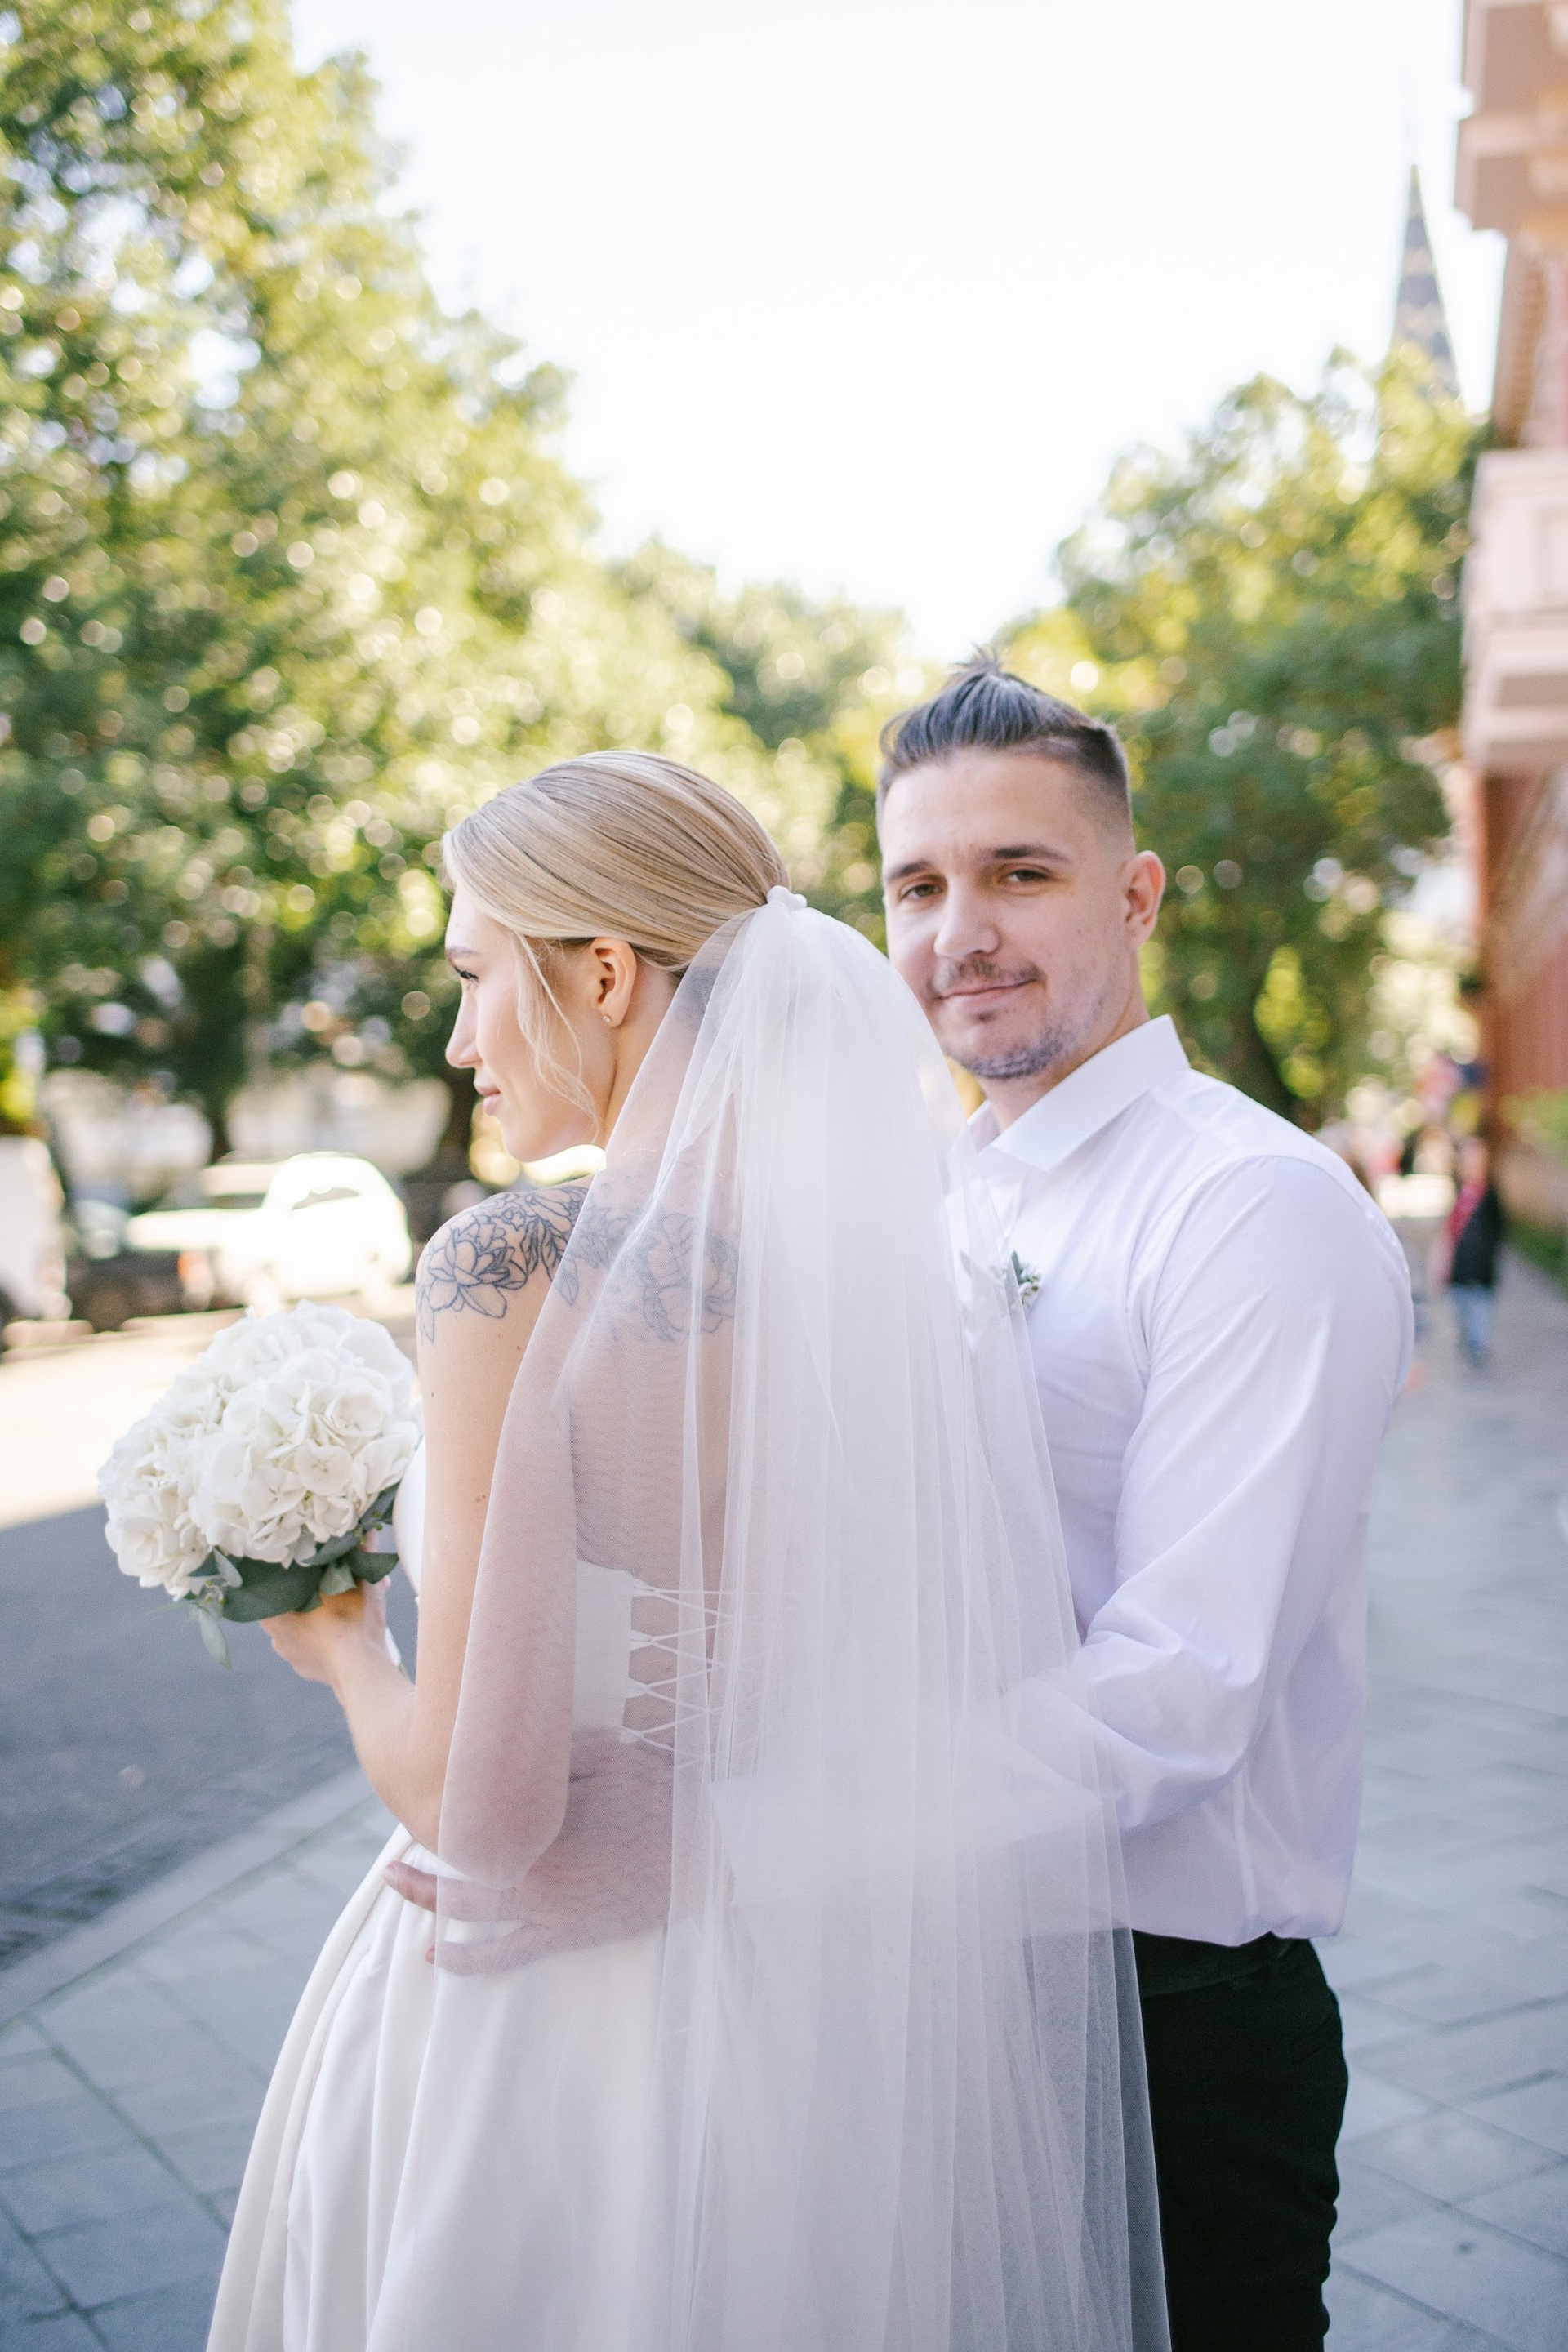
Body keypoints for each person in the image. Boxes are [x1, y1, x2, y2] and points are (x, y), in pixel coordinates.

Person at [207, 752, 1168, 2352]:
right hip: (810, 2017)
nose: (460, 1043)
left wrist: (343, 1654)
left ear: (599, 971)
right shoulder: (895, 1298)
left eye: (470, 978)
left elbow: (485, 1813)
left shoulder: (510, 1268)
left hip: (555, 2029)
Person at [879, 658, 1413, 2352]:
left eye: (1018, 874)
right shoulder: (927, 1200)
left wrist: (798, 1822)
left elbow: (1181, 1683)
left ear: (1136, 890)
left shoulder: (1248, 1204)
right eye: (918, 884)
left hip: (1170, 2011)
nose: (962, 931)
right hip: (947, 1992)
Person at [1433, 1132, 1504, 1367]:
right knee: (1460, 1307)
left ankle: (1478, 1349)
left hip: (1479, 1270)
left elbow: (1497, 1233)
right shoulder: (1460, 1191)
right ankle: (1468, 1342)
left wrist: (1482, 1260)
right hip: (1460, 1267)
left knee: (1479, 1311)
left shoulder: (1490, 1195)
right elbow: (1450, 1231)